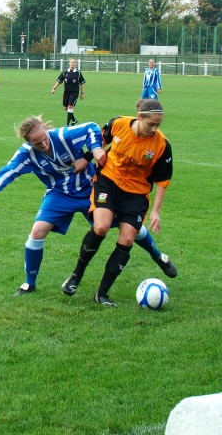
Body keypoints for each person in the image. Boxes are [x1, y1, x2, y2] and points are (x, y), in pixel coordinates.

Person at [0, 115, 177, 296]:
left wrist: (95, 149)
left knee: (128, 227)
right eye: (37, 143)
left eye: (44, 138)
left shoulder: (63, 136)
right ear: (29, 142)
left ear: (47, 130)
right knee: (37, 231)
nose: (44, 144)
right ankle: (29, 283)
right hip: (59, 194)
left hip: (89, 189)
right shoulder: (26, 155)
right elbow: (8, 172)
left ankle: (158, 256)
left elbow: (91, 128)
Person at [61, 99, 177, 308]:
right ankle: (76, 275)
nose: (154, 129)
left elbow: (163, 180)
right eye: (151, 124)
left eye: (158, 125)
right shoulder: (119, 124)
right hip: (108, 181)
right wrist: (87, 158)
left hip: (137, 194)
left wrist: (156, 211)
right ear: (139, 117)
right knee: (101, 227)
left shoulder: (161, 145)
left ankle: (102, 294)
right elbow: (99, 140)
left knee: (127, 238)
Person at [51, 58, 85, 125]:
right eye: (71, 62)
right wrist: (54, 88)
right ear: (69, 63)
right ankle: (74, 120)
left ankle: (67, 125)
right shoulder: (65, 72)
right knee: (66, 108)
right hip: (66, 92)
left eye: (74, 62)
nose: (72, 63)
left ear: (76, 64)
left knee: (70, 106)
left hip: (74, 92)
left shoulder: (78, 73)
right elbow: (59, 81)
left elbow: (82, 83)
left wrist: (82, 93)